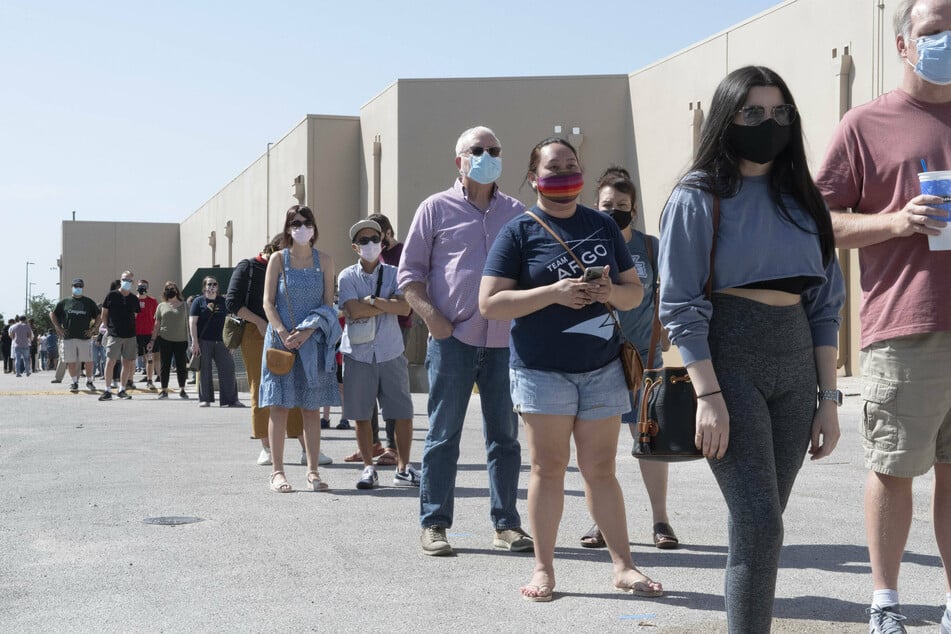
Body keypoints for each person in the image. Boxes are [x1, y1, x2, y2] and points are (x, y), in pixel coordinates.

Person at [659, 66, 844, 632]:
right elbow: (680, 305)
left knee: (761, 526)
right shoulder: (697, 197)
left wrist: (829, 397)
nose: (771, 124)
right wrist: (707, 392)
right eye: (754, 113)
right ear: (726, 119)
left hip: (795, 366)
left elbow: (825, 305)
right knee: (761, 523)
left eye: (781, 113)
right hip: (728, 360)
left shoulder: (803, 198)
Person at [816, 1, 951, 630]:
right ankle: (886, 603)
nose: (947, 40)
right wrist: (897, 221)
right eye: (934, 32)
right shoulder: (865, 124)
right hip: (906, 326)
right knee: (895, 467)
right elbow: (819, 222)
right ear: (904, 45)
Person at [480, 137, 660, 602]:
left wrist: (608, 295)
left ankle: (624, 566)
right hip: (542, 371)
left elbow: (634, 292)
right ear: (534, 176)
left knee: (601, 469)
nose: (563, 173)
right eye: (553, 166)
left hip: (600, 368)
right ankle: (544, 570)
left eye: (571, 165)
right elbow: (490, 303)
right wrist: (553, 293)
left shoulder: (600, 225)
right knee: (549, 467)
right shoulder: (518, 231)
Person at [399, 125, 531, 556]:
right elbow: (409, 277)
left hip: (503, 342)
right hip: (452, 339)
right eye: (479, 150)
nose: (488, 155)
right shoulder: (434, 209)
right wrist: (434, 320)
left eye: (495, 149)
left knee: (505, 438)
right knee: (442, 434)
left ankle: (506, 524)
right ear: (460, 160)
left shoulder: (516, 213)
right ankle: (435, 522)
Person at [579, 167, 678, 551]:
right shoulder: (585, 244)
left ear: (633, 210)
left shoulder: (650, 247)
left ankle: (660, 520)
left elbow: (669, 292)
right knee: (597, 449)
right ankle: (600, 522)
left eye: (621, 205)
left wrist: (666, 329)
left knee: (650, 441)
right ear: (595, 206)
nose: (614, 211)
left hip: (644, 360)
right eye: (607, 205)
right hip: (596, 360)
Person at [226, 235, 327, 467]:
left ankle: (306, 449)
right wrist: (260, 322)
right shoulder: (249, 267)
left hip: (291, 332)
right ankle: (267, 448)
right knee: (263, 388)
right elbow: (232, 302)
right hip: (256, 333)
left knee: (296, 388)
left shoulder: (293, 268)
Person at [260, 205, 341, 493]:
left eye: (306, 222)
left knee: (311, 408)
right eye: (295, 222)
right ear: (287, 227)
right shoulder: (277, 260)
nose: (301, 227)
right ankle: (278, 472)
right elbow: (268, 302)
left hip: (313, 341)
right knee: (279, 407)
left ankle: (313, 471)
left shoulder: (326, 261)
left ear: (314, 227)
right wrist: (282, 332)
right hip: (280, 341)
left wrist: (307, 332)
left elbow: (328, 304)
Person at [338, 219, 418, 490]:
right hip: (358, 354)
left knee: (402, 413)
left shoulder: (396, 273)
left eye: (374, 239)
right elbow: (352, 310)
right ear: (354, 247)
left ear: (382, 242)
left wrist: (370, 301)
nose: (369, 244)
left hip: (390, 351)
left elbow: (405, 308)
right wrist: (387, 304)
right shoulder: (346, 276)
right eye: (363, 241)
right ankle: (368, 468)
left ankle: (403, 468)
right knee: (362, 415)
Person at [368, 212, 411, 466]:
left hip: (398, 325)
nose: (371, 240)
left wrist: (375, 303)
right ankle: (372, 444)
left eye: (376, 234)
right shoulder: (373, 252)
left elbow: (405, 294)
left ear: (386, 231)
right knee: (367, 385)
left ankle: (392, 447)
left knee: (390, 386)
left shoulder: (403, 252)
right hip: (371, 324)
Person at [189, 275, 242, 408]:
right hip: (204, 341)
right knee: (205, 371)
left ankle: (231, 400)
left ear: (217, 287)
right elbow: (193, 323)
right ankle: (205, 399)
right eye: (209, 284)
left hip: (222, 341)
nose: (211, 287)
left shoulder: (224, 301)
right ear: (204, 287)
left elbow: (232, 321)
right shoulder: (198, 302)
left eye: (214, 284)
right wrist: (194, 342)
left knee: (228, 369)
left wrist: (232, 342)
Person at [49, 278, 100, 392]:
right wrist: (58, 327)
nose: (78, 288)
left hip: (84, 337)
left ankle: (89, 381)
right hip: (68, 337)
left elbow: (98, 315)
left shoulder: (88, 302)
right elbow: (52, 313)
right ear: (71, 287)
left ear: (83, 287)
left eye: (80, 286)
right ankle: (74, 382)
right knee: (71, 362)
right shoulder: (65, 302)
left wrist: (93, 328)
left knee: (88, 361)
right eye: (76, 286)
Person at [99, 271, 140, 401]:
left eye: (129, 280)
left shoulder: (134, 298)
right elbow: (104, 314)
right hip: (114, 335)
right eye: (124, 279)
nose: (126, 282)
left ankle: (122, 389)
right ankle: (107, 390)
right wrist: (108, 328)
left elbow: (136, 315)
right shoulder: (111, 296)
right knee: (110, 361)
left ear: (132, 283)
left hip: (130, 335)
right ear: (120, 280)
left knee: (127, 362)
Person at [147, 281, 189, 399]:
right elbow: (157, 324)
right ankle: (164, 390)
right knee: (165, 365)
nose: (170, 291)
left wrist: (194, 339)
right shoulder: (161, 306)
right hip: (165, 339)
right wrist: (152, 340)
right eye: (167, 289)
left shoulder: (185, 305)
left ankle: (182, 389)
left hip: (182, 340)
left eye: (172, 288)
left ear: (177, 290)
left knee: (181, 365)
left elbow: (190, 323)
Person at [134, 279, 158, 390]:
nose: (142, 288)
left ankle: (149, 380)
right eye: (140, 286)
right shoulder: (132, 299)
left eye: (144, 286)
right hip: (134, 334)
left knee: (149, 358)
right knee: (130, 359)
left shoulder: (153, 301)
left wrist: (155, 332)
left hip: (148, 334)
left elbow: (157, 318)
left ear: (147, 288)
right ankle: (129, 380)